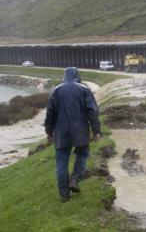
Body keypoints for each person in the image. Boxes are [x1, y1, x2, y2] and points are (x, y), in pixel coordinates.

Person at [44, 67, 101, 202]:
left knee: (61, 163)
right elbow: (92, 111)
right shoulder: (84, 89)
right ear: (77, 76)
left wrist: (49, 132)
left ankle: (64, 195)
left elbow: (49, 114)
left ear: (64, 76)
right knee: (82, 155)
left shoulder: (55, 90)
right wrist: (96, 130)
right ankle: (75, 179)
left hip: (61, 133)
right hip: (81, 131)